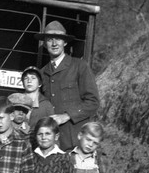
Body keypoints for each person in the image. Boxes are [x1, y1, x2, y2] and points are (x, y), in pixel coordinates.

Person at [35, 20, 100, 151]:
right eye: (49, 39)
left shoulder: (80, 66)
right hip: (50, 145)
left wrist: (66, 116)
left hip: (74, 143)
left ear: (65, 42)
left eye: (58, 39)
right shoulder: (42, 73)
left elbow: (93, 102)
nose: (54, 44)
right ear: (45, 43)